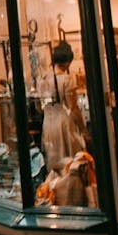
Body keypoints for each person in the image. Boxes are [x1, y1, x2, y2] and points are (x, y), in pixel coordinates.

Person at [38, 41, 88, 172]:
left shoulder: (43, 79)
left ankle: (55, 188)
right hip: (63, 123)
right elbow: (73, 107)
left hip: (48, 123)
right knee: (70, 161)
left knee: (53, 161)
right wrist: (83, 130)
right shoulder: (66, 79)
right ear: (67, 60)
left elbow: (40, 106)